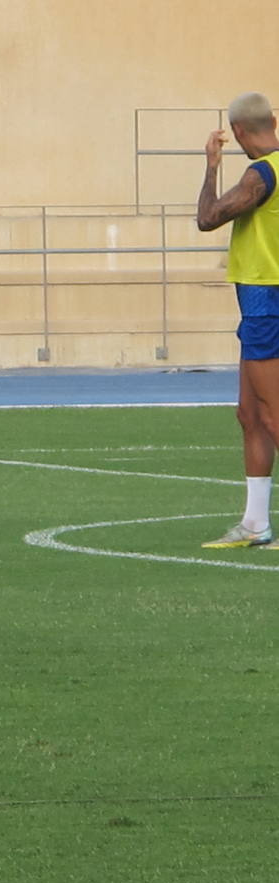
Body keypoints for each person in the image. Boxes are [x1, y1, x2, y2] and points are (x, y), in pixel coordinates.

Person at [197, 91, 279, 550]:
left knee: (272, 413)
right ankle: (254, 524)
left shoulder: (261, 172)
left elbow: (208, 217)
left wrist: (211, 165)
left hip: (267, 299)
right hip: (260, 300)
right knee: (250, 415)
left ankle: (256, 525)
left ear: (241, 132)